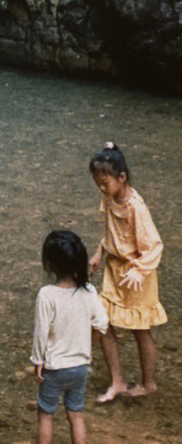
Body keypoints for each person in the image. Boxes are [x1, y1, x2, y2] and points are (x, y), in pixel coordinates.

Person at [88, 141, 166, 402]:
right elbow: (111, 231)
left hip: (136, 273)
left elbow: (154, 245)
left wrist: (139, 270)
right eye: (98, 183)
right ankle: (117, 381)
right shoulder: (109, 197)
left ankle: (149, 383)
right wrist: (100, 253)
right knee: (103, 323)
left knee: (140, 329)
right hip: (115, 268)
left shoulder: (136, 207)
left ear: (122, 177)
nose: (101, 188)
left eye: (105, 183)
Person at [31, 229, 108, 444]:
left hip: (55, 367)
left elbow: (41, 333)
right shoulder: (90, 291)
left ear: (50, 264)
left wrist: (38, 361)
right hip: (80, 366)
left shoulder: (47, 295)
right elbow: (102, 324)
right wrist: (89, 345)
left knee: (46, 414)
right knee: (75, 414)